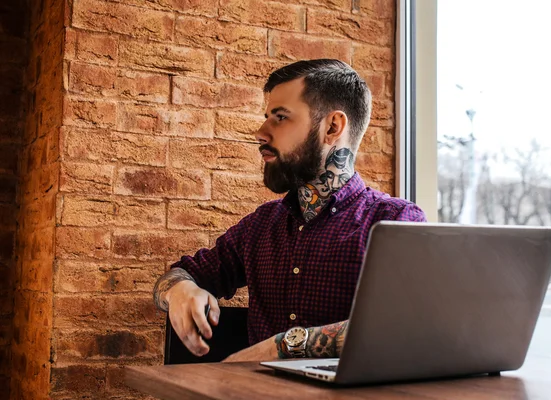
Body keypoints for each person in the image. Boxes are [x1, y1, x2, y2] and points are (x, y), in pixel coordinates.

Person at [153, 59, 427, 362]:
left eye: (280, 118)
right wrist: (178, 291)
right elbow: (182, 274)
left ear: (333, 127)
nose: (261, 132)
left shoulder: (395, 221)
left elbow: (405, 325)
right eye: (267, 117)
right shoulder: (260, 226)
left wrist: (281, 347)